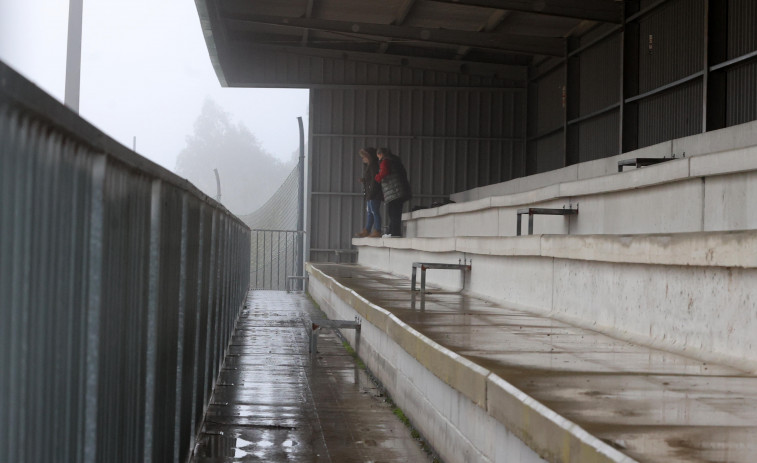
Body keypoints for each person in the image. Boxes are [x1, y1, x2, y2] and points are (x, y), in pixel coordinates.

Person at [375, 147, 411, 237]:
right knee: (395, 212)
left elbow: (384, 172)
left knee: (393, 212)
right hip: (399, 191)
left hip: (394, 192)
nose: (378, 158)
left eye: (378, 156)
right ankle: (393, 231)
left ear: (381, 154)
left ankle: (394, 232)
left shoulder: (386, 161)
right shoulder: (395, 161)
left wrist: (377, 177)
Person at [355, 148, 383, 238]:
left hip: (373, 194)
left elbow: (375, 181)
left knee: (374, 211)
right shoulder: (370, 166)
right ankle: (367, 230)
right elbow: (370, 179)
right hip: (370, 193)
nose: (363, 159)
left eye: (364, 157)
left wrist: (371, 193)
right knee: (370, 212)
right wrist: (364, 180)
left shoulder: (373, 166)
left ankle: (377, 230)